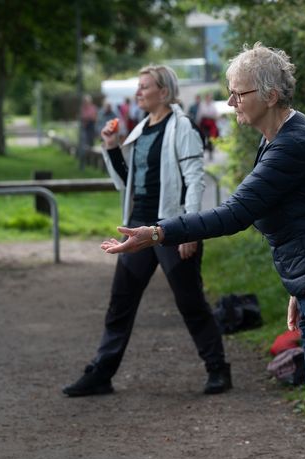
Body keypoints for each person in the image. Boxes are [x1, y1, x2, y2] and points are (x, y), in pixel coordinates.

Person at [100, 42, 305, 459]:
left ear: (270, 95)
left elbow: (235, 213)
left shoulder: (294, 143)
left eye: (239, 93)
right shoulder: (278, 137)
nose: (231, 103)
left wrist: (158, 232)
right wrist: (300, 285)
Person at [62, 65, 231, 398]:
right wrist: (111, 146)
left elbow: (194, 181)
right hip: (138, 230)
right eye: (138, 87)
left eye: (144, 87)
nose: (138, 93)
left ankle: (218, 369)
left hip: (170, 229)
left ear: (164, 92)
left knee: (190, 302)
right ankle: (101, 374)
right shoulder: (140, 129)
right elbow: (128, 185)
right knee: (120, 304)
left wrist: (189, 230)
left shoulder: (182, 127)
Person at [196, 92, 219, 160]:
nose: (209, 99)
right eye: (208, 97)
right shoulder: (202, 105)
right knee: (203, 137)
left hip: (211, 124)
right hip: (204, 125)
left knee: (211, 138)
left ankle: (210, 152)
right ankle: (203, 151)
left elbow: (216, 114)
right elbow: (199, 115)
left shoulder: (212, 105)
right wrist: (198, 123)